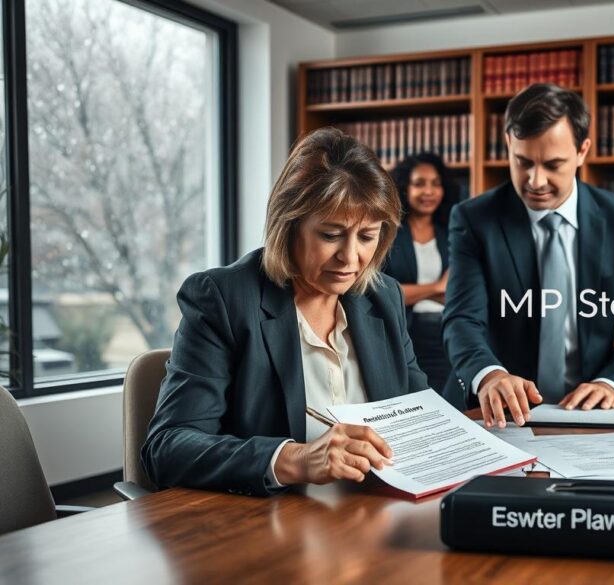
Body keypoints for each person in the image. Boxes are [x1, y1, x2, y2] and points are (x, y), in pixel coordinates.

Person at [142, 127, 428, 496]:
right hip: (268, 523)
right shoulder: (223, 299)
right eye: (330, 235)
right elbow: (166, 448)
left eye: (367, 236)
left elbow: (420, 416)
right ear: (289, 226)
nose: (351, 257)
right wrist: (295, 459)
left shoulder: (383, 296)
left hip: (372, 516)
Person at [442, 83, 614, 427]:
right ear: (508, 145)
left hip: (587, 416)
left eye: (553, 164)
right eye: (523, 162)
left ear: (582, 151)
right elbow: (462, 319)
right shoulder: (474, 220)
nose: (535, 180)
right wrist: (490, 376)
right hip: (495, 417)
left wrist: (612, 383)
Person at [383, 152, 460, 393]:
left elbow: (458, 292)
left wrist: (413, 292)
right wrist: (436, 288)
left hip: (447, 334)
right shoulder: (388, 235)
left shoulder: (453, 234)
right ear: (404, 188)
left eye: (435, 184)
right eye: (419, 184)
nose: (429, 192)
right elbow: (379, 293)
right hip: (404, 333)